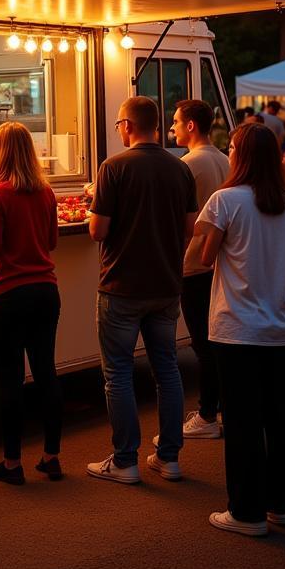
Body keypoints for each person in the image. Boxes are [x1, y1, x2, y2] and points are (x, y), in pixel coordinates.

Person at [195, 122, 285, 536]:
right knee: (279, 416)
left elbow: (207, 257)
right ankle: (280, 503)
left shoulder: (225, 201)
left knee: (242, 420)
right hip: (282, 327)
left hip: (237, 327)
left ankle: (246, 511)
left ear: (238, 154)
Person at [87, 96, 197, 484]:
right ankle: (169, 458)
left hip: (121, 286)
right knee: (166, 370)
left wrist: (93, 209)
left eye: (119, 124)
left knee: (117, 373)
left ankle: (125, 460)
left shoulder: (113, 167)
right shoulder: (179, 168)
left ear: (128, 126)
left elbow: (98, 230)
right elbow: (189, 228)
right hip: (166, 284)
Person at [0, 122, 62, 485]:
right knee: (46, 373)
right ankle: (51, 457)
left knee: (10, 378)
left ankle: (12, 464)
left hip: (8, 294)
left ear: (1, 152)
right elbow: (52, 241)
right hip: (45, 291)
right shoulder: (46, 192)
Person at [171, 99, 230, 440]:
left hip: (194, 261)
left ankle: (207, 414)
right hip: (219, 261)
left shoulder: (189, 164)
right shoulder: (223, 159)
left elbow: (181, 221)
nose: (173, 128)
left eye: (177, 122)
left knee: (203, 342)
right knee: (216, 338)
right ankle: (217, 406)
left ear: (191, 125)